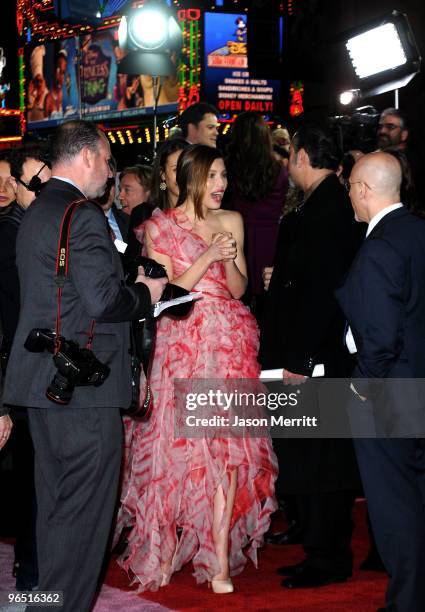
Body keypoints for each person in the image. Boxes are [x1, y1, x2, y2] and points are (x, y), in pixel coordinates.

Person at [2, 120, 166, 612]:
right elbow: (102, 300)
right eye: (109, 162)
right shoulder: (82, 214)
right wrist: (145, 293)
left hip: (43, 386)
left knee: (55, 512)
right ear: (89, 157)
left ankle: (46, 602)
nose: (110, 175)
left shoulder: (34, 212)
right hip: (83, 389)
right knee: (83, 518)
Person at [115, 144, 277, 593]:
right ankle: (162, 551)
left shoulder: (233, 221)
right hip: (182, 341)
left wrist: (228, 259)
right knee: (174, 452)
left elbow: (241, 289)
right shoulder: (160, 228)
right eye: (213, 176)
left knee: (227, 454)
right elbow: (165, 295)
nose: (221, 185)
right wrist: (206, 257)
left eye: (224, 176)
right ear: (190, 180)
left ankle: (220, 561)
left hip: (228, 342)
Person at [261, 124, 362, 589]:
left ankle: (327, 556)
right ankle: (318, 545)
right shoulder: (322, 204)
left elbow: (323, 293)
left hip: (314, 359)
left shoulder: (327, 209)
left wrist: (299, 358)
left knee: (321, 458)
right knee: (310, 455)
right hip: (310, 353)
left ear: (301, 156)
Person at [335, 151, 425, 612]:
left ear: (365, 190)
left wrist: (363, 389)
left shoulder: (380, 245)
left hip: (390, 389)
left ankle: (407, 602)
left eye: (351, 184)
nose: (348, 191)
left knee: (394, 506)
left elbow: (380, 339)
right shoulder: (418, 231)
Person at [0, 144, 52, 591]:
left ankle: (36, 567)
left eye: (43, 181)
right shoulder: (7, 235)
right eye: (27, 183)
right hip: (19, 372)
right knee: (32, 476)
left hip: (46, 370)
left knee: (41, 475)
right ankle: (32, 571)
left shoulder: (46, 228)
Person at [225, 112, 288, 316]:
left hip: (237, 241)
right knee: (267, 307)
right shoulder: (278, 169)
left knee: (238, 305)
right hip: (271, 242)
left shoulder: (229, 168)